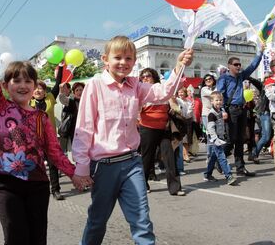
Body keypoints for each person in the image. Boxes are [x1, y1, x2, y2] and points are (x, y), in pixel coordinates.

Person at [0, 14, 77, 244]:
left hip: (38, 184)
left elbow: (54, 152)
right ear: (6, 86)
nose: (22, 85)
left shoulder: (42, 118)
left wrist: (75, 174)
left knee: (37, 239)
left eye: (28, 81)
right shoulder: (0, 107)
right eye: (16, 81)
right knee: (15, 236)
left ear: (34, 86)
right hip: (6, 184)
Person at [72, 35, 193, 245]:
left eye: (129, 58)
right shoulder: (95, 85)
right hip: (103, 167)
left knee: (142, 222)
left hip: (132, 164)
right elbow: (84, 129)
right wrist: (81, 167)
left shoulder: (136, 85)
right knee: (97, 221)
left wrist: (179, 65)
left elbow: (163, 93)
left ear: (134, 62)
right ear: (105, 59)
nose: (123, 63)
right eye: (117, 57)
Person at [216, 43, 264, 177]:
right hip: (230, 111)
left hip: (242, 110)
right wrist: (223, 111)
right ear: (229, 66)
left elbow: (253, 66)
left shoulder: (242, 76)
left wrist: (260, 52)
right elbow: (219, 95)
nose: (238, 66)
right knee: (231, 139)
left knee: (240, 139)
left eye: (239, 64)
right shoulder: (224, 78)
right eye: (236, 64)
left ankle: (240, 167)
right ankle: (219, 161)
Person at [137, 68, 184, 196]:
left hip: (164, 129)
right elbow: (136, 111)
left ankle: (175, 187)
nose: (145, 78)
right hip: (147, 128)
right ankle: (142, 185)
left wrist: (176, 105)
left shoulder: (161, 88)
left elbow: (174, 98)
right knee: (147, 158)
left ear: (155, 77)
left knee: (169, 157)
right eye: (142, 77)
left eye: (148, 75)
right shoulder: (141, 92)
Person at [31, 66, 65, 201]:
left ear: (45, 91)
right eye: (36, 88)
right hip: (35, 140)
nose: (38, 90)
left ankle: (55, 190)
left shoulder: (50, 98)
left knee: (53, 165)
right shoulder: (28, 102)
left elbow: (57, 83)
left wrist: (61, 68)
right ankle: (37, 190)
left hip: (50, 139)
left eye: (41, 88)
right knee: (36, 167)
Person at [203, 91, 237, 185]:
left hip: (220, 137)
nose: (219, 102)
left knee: (214, 156)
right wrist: (215, 139)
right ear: (212, 102)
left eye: (220, 100)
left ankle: (207, 174)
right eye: (216, 100)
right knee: (222, 157)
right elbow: (210, 128)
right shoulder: (211, 114)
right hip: (214, 139)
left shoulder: (220, 111)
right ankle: (229, 176)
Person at [58, 82, 85, 149]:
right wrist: (61, 91)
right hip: (75, 132)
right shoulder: (71, 101)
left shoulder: (89, 100)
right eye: (77, 90)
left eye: (81, 90)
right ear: (74, 92)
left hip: (86, 132)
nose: (79, 92)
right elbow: (63, 100)